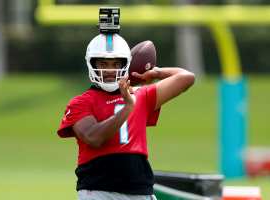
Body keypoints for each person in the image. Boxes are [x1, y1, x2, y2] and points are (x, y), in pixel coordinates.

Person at [57, 33, 195, 200]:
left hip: (139, 190)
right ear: (92, 63)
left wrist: (156, 72)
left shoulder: (141, 95)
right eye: (103, 63)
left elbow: (186, 78)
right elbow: (93, 137)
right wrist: (128, 107)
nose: (109, 70)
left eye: (115, 64)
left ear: (126, 65)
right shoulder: (81, 102)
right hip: (99, 190)